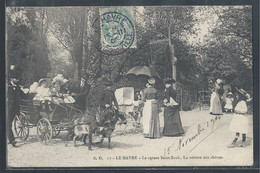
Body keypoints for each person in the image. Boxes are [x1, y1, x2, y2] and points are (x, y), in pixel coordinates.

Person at [7, 65, 29, 147]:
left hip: (15, 108)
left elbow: (23, 95)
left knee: (8, 124)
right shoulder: (7, 87)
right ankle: (12, 140)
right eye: (16, 78)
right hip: (7, 108)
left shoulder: (17, 87)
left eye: (18, 78)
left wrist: (29, 92)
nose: (18, 80)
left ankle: (10, 138)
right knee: (8, 124)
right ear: (12, 79)